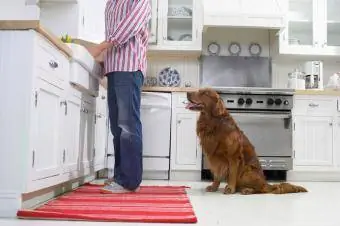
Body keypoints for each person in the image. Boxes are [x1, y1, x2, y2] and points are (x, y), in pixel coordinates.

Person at [89, 0, 151, 193]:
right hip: (114, 68)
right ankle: (120, 176)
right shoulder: (111, 2)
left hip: (129, 66)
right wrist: (104, 57)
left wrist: (101, 46)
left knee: (127, 125)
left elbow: (130, 25)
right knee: (117, 127)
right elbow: (113, 34)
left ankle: (129, 181)